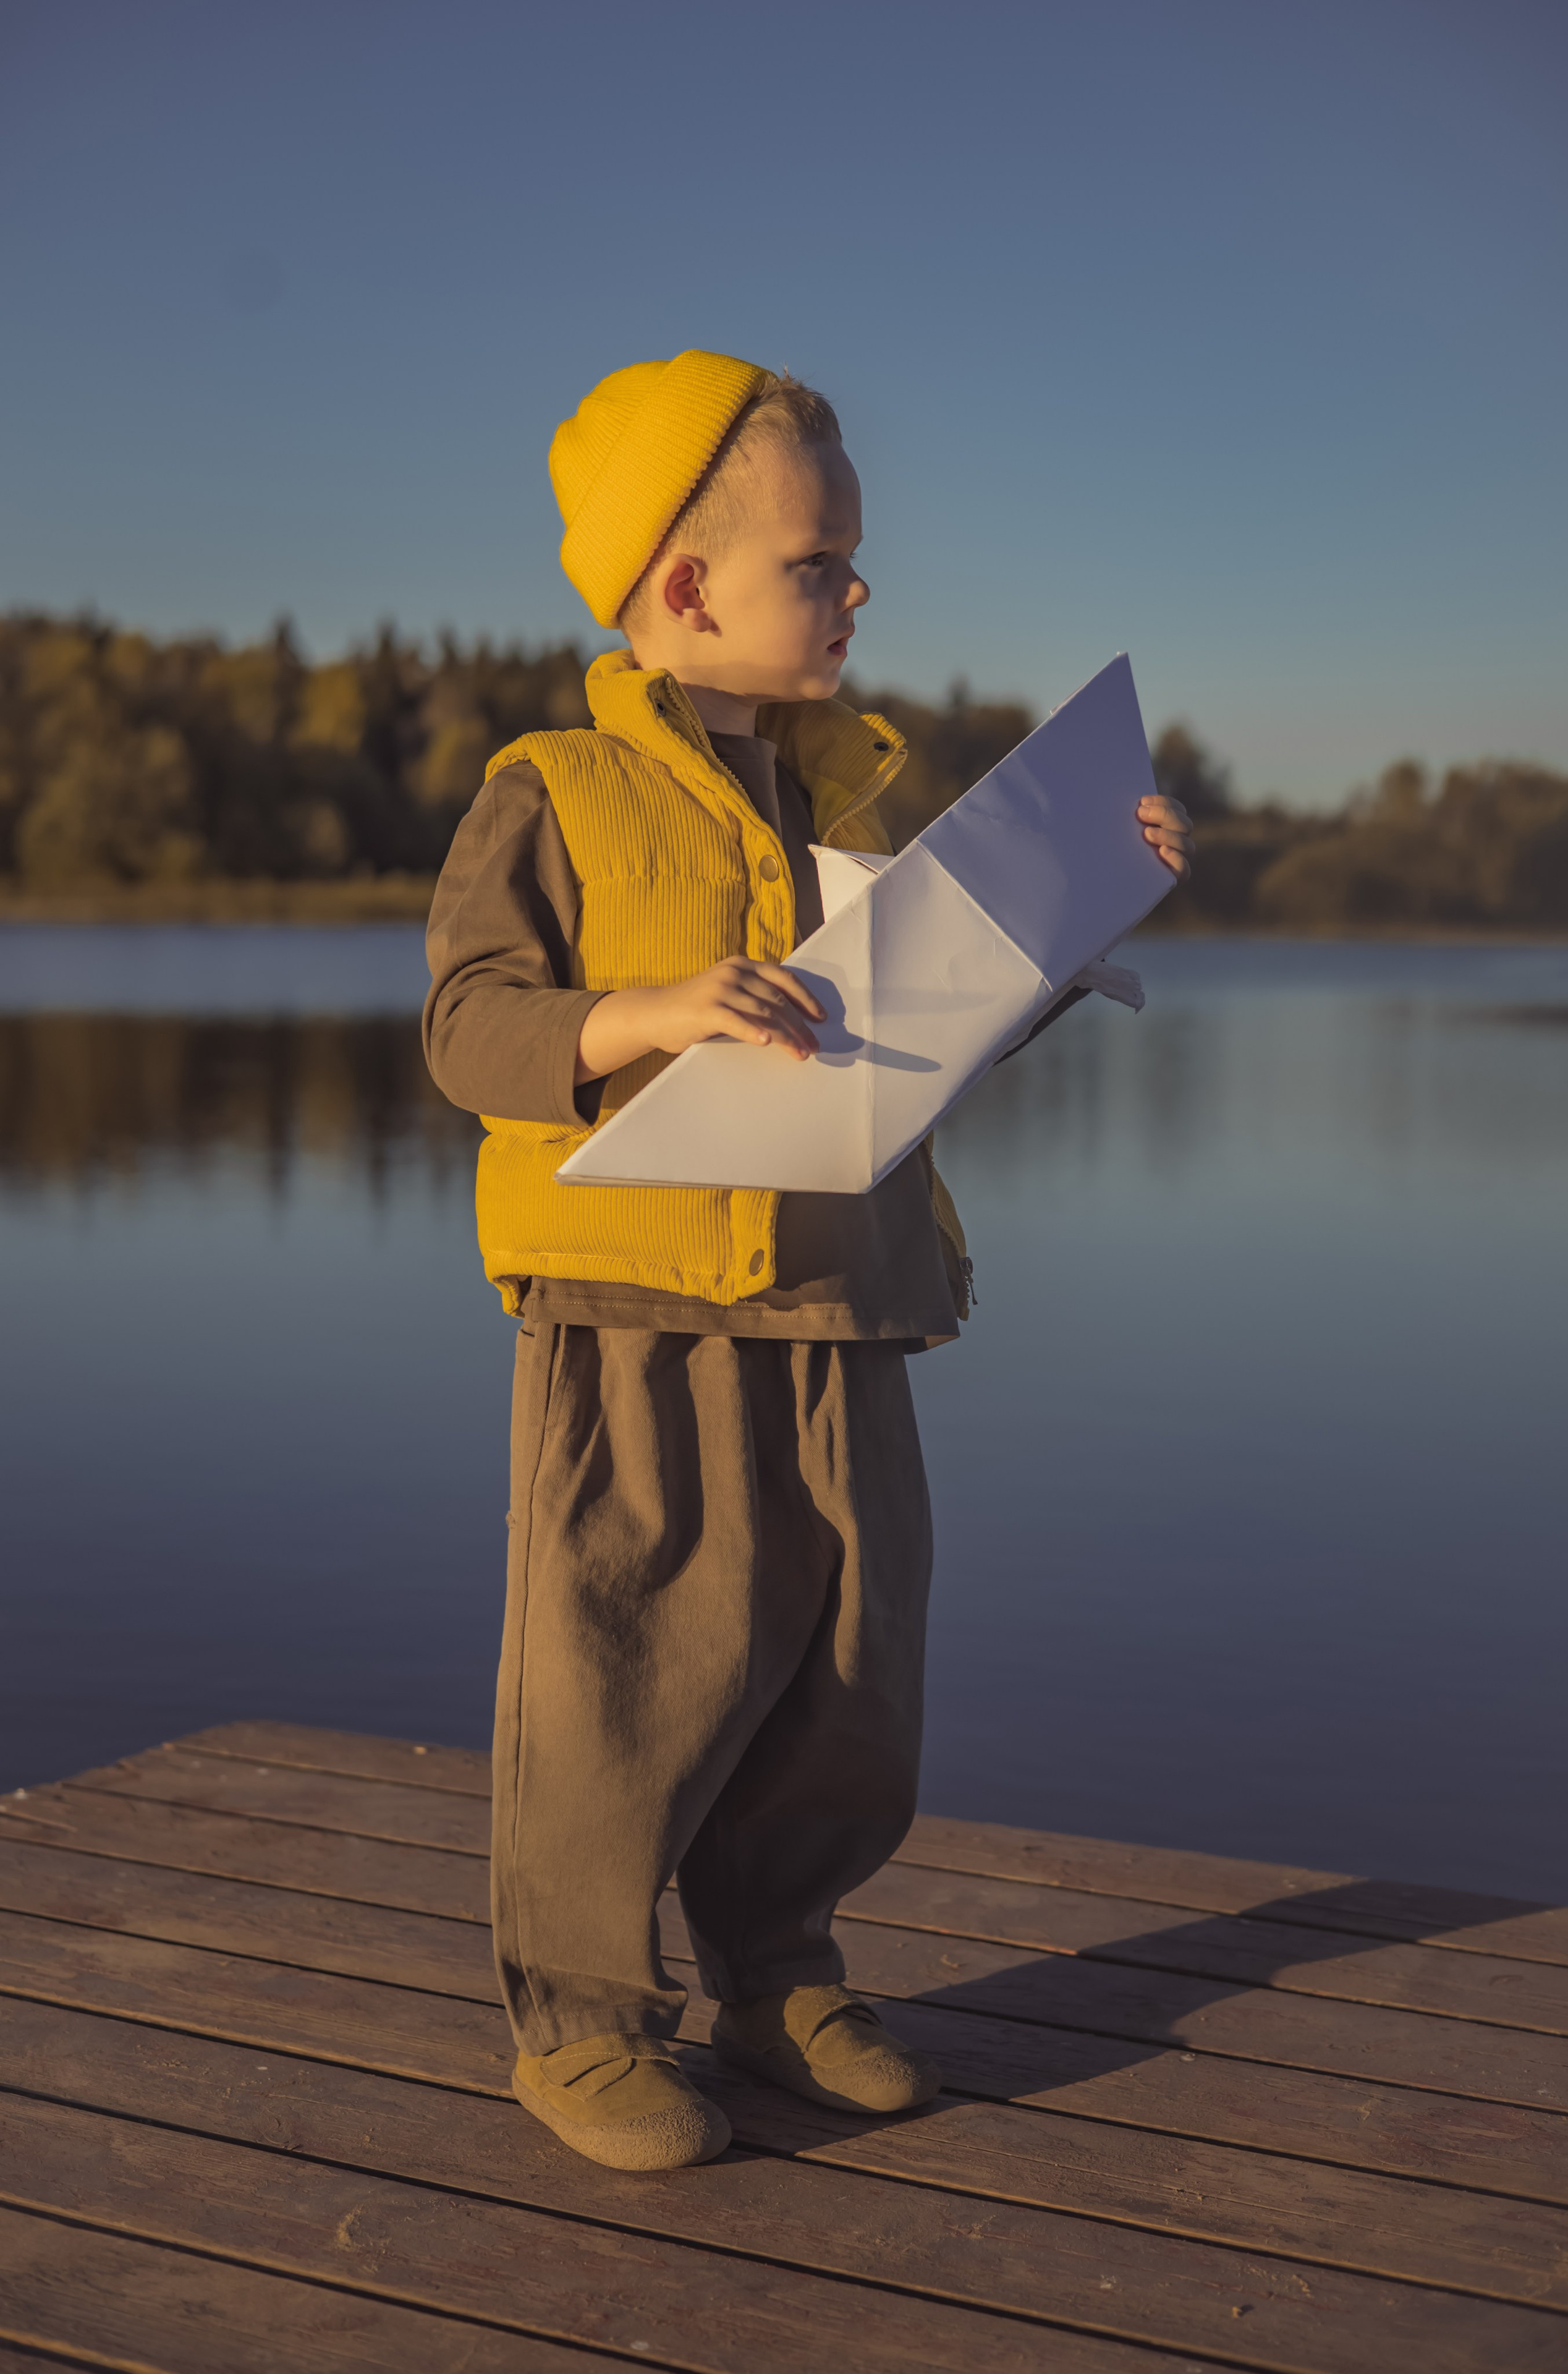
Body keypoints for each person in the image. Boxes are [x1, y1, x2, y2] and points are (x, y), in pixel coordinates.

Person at [424, 350, 1193, 2171]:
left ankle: (778, 1971)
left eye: (851, 561)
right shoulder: (551, 789)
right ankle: (590, 2022)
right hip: (635, 1305)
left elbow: (914, 1037)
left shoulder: (852, 807)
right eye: (821, 562)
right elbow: (469, 1032)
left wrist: (1077, 927)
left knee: (849, 1658)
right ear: (686, 589)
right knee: (625, 1661)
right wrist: (641, 1012)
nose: (857, 592)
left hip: (847, 1296)